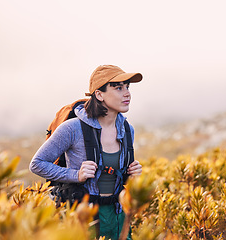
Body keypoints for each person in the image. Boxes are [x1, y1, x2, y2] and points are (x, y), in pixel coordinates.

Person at [29, 65, 143, 240]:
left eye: (127, 87)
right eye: (118, 87)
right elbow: (37, 164)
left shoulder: (128, 130)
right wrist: (76, 175)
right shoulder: (72, 129)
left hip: (118, 216)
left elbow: (117, 175)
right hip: (84, 219)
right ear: (99, 94)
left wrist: (132, 174)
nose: (127, 93)